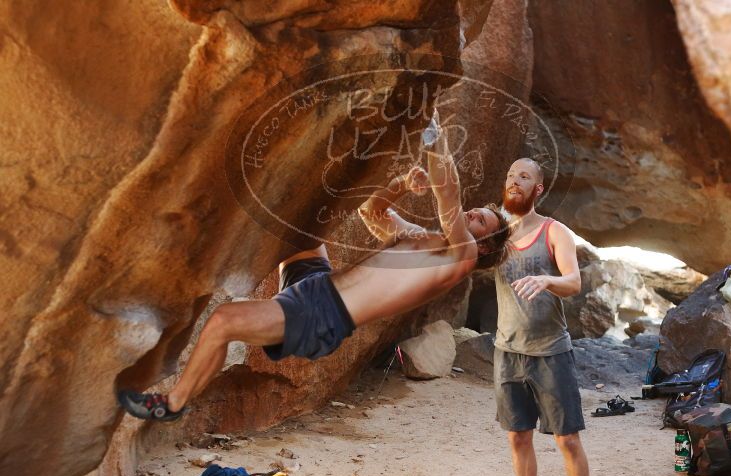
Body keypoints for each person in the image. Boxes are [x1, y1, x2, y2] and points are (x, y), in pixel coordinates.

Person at [118, 116, 511, 421]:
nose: (473, 214)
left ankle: (172, 403)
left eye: (481, 222)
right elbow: (372, 212)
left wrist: (433, 131)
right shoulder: (424, 240)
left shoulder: (460, 258)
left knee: (222, 321)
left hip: (323, 313)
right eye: (478, 212)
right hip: (316, 285)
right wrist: (400, 186)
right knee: (301, 225)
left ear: (486, 244)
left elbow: (448, 192)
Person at [494, 158, 592, 476]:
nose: (514, 181)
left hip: (551, 352)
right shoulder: (496, 235)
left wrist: (547, 280)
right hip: (508, 352)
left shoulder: (554, 232)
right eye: (509, 175)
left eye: (523, 176)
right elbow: (451, 246)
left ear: (538, 189)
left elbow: (573, 282)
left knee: (567, 440)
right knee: (518, 437)